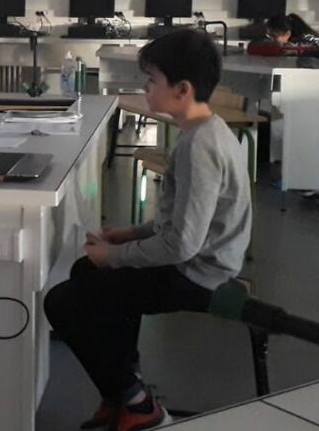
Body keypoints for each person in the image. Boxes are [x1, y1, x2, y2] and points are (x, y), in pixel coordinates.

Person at [43, 29, 252, 431]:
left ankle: (138, 403)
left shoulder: (199, 148)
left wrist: (116, 256)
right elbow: (177, 220)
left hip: (199, 274)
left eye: (152, 79)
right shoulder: (204, 131)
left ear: (182, 89)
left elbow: (183, 244)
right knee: (89, 273)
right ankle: (119, 393)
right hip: (197, 262)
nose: (145, 87)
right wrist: (128, 235)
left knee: (62, 303)